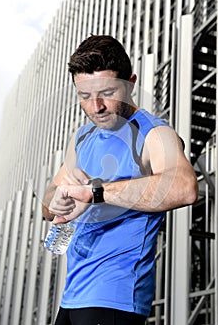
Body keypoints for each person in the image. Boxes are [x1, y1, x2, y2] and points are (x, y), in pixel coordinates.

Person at [42, 35, 198, 325]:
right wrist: (58, 201)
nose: (96, 106)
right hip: (73, 294)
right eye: (84, 96)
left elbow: (185, 188)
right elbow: (47, 205)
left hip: (116, 296)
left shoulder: (153, 133)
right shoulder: (82, 137)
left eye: (107, 92)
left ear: (131, 83)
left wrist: (96, 193)